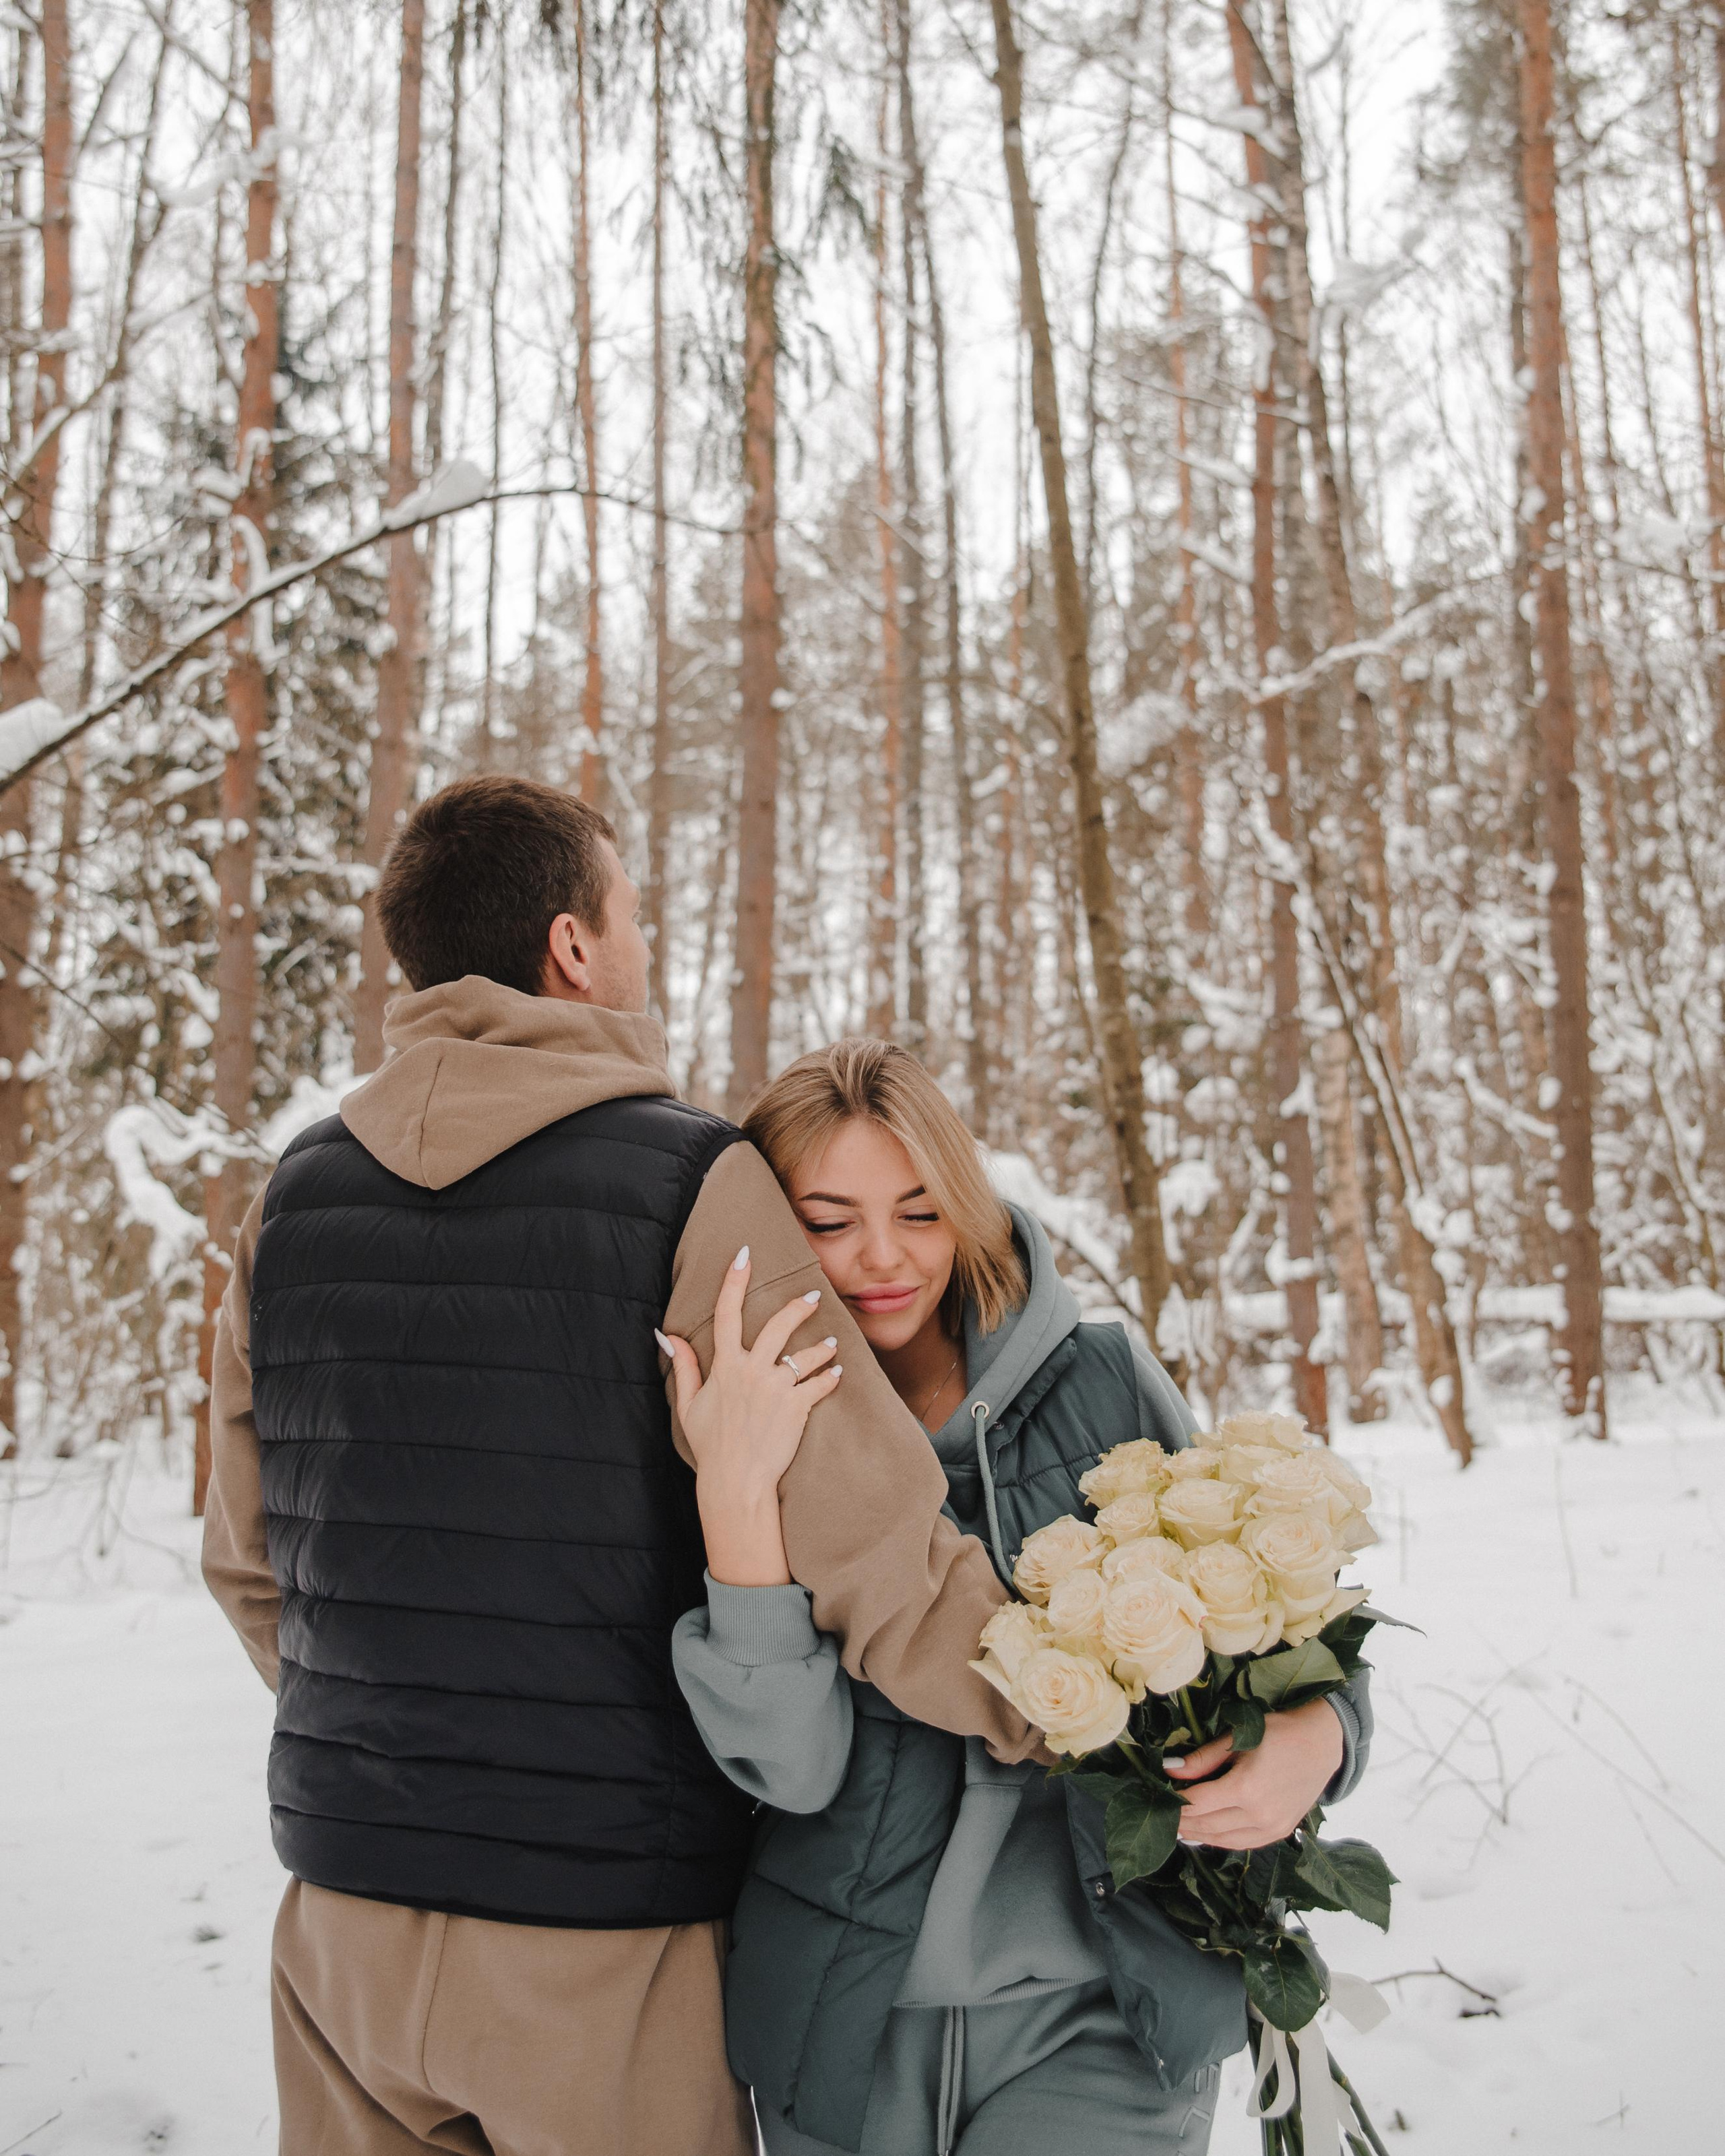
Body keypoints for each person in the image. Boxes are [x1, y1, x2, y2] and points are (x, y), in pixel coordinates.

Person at [201, 778, 1042, 2156]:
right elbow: (881, 1555)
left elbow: (248, 1564)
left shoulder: (288, 1201)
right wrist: (1094, 1706)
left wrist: (402, 1738)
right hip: (603, 1947)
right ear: (574, 947)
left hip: (344, 1924)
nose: (640, 944)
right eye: (631, 912)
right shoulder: (687, 1183)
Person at [664, 1039, 1373, 2156]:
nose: (884, 1259)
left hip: (1110, 2006)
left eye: (921, 1211)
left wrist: (1322, 1734)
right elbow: (787, 1769)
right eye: (829, 1220)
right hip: (844, 2024)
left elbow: (1284, 1619)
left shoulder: (1097, 1377)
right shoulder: (748, 1420)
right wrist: (742, 1493)